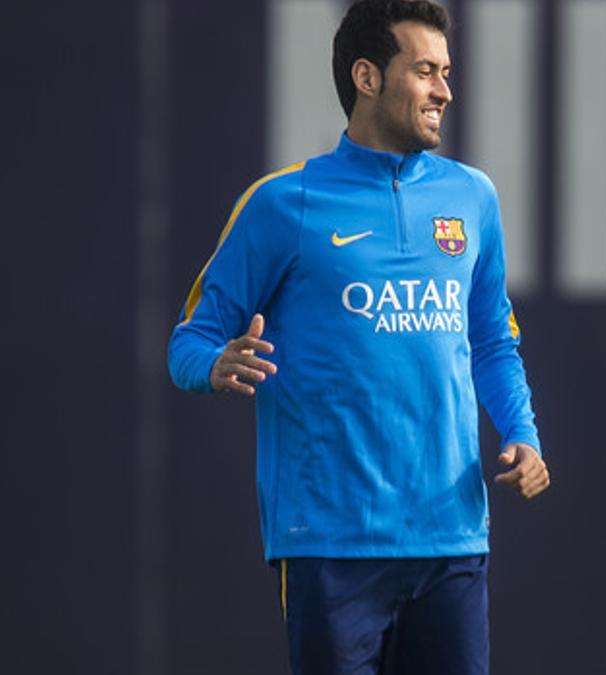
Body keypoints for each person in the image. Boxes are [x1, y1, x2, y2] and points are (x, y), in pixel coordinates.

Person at [167, 1, 548, 673]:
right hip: (330, 545)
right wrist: (216, 363)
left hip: (451, 540)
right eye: (425, 70)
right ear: (368, 77)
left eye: (447, 72)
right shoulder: (282, 203)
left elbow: (491, 341)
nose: (445, 91)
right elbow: (187, 343)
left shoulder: (473, 198)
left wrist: (522, 431)